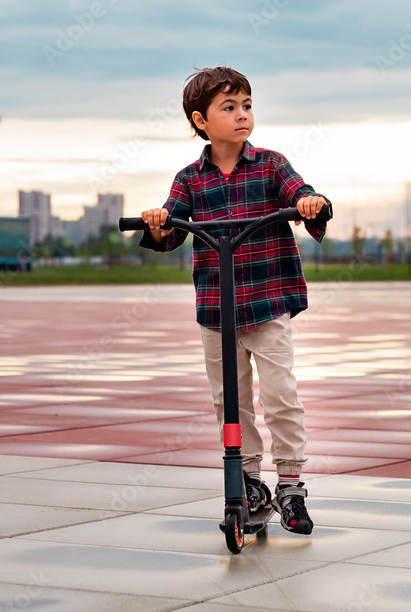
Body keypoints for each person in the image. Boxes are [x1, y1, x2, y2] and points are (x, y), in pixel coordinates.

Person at [138, 65, 328, 535]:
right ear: (201, 121)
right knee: (231, 401)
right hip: (217, 310)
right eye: (229, 107)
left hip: (267, 302)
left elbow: (299, 192)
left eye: (247, 105)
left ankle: (291, 484)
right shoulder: (190, 179)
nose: (242, 114)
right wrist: (158, 222)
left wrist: (311, 203)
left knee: (280, 394)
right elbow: (169, 231)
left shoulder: (270, 165)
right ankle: (248, 482)